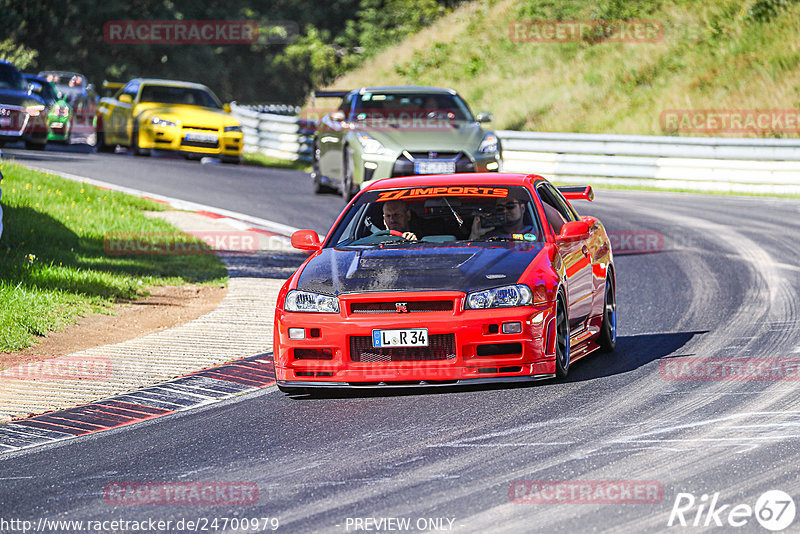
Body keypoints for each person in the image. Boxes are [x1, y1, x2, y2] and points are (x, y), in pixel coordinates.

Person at [469, 196, 534, 240]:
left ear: (522, 208)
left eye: (510, 206)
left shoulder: (537, 233)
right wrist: (475, 234)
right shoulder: (489, 237)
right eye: (500, 208)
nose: (505, 211)